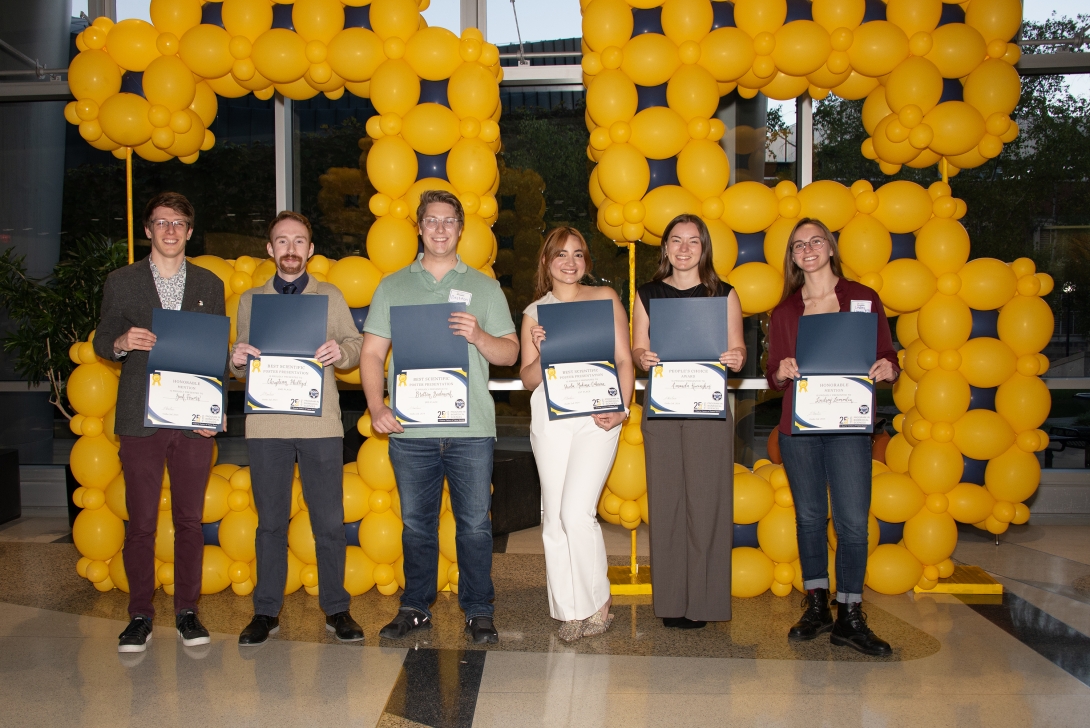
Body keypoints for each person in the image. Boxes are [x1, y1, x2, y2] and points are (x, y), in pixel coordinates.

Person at [361, 190, 518, 645]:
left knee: (474, 524)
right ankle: (415, 606)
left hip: (471, 432)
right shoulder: (393, 286)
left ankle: (479, 609)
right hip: (410, 432)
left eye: (449, 220)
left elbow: (510, 352)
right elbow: (372, 352)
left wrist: (479, 334)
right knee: (416, 525)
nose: (440, 228)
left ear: (461, 228)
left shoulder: (485, 289)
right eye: (431, 220)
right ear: (419, 227)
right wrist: (376, 407)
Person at [93, 192, 227, 653]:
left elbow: (214, 354)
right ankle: (139, 615)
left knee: (190, 520)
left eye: (179, 223)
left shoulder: (210, 283)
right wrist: (120, 340)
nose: (170, 230)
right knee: (142, 524)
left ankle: (188, 611)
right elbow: (100, 339)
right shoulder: (121, 281)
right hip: (141, 418)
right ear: (148, 230)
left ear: (190, 232)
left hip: (193, 420)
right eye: (161, 222)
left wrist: (216, 409)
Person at [231, 210, 365, 645]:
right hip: (266, 427)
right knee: (270, 522)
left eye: (299, 241)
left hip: (320, 423)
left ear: (310, 249)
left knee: (328, 520)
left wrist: (339, 353)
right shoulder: (251, 301)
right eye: (282, 241)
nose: (291, 249)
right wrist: (235, 362)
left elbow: (355, 346)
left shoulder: (330, 296)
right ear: (270, 250)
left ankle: (337, 608)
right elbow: (240, 364)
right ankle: (265, 611)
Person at [766, 217, 899, 656]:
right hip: (799, 429)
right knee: (808, 518)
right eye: (799, 244)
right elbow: (773, 375)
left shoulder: (863, 298)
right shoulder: (785, 310)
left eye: (815, 241)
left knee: (852, 523)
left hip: (847, 426)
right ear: (793, 256)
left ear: (830, 247)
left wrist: (888, 368)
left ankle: (851, 615)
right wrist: (780, 372)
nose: (808, 249)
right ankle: (818, 604)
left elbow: (886, 354)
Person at [631, 214, 746, 629]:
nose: (683, 248)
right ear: (665, 249)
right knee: (666, 506)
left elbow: (738, 350)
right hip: (662, 412)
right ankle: (672, 602)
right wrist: (642, 357)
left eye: (692, 241)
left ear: (704, 248)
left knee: (708, 505)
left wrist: (736, 357)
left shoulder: (724, 294)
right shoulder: (647, 294)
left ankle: (705, 603)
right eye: (675, 240)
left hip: (707, 413)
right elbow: (638, 347)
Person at [520, 227, 633, 642]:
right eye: (561, 255)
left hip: (597, 417)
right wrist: (545, 348)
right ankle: (570, 609)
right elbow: (528, 379)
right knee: (553, 517)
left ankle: (598, 601)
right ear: (546, 261)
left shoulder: (604, 299)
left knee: (576, 513)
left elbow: (624, 359)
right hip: (550, 416)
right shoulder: (535, 312)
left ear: (586, 261)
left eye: (578, 254)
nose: (570, 262)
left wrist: (620, 408)